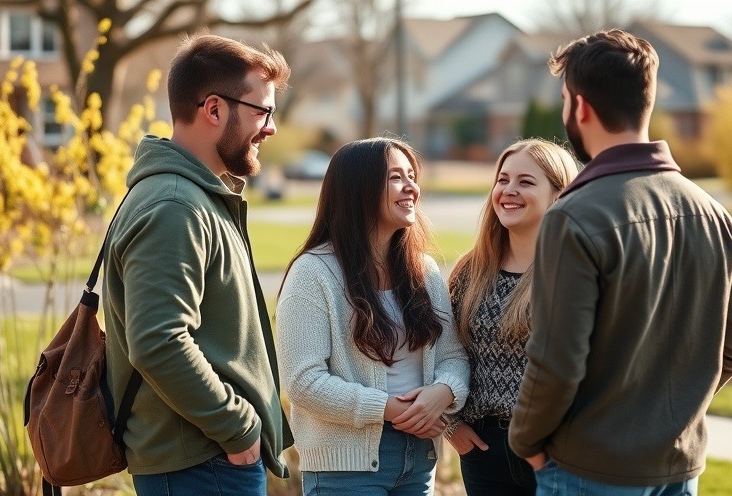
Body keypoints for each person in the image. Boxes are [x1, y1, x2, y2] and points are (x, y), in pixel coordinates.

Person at [508, 29, 732, 496]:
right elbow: (731, 349)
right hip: (680, 470)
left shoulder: (573, 217)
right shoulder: (717, 216)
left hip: (587, 472)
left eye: (563, 100)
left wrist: (525, 442)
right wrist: (668, 420)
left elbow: (557, 363)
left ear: (579, 107)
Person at [102, 35, 292, 495]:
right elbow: (158, 341)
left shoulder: (192, 198)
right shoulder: (176, 207)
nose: (270, 128)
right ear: (213, 109)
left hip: (206, 461)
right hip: (203, 463)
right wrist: (238, 428)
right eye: (261, 111)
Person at [276, 137, 470, 496]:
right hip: (346, 470)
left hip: (419, 460)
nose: (412, 186)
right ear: (359, 190)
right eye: (397, 177)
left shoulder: (424, 271)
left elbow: (453, 356)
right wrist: (391, 409)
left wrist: (442, 393)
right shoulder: (313, 273)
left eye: (413, 176)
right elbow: (303, 381)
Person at [446, 139, 578, 496]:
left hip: (558, 451)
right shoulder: (470, 272)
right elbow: (442, 352)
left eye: (525, 182)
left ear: (559, 194)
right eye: (502, 180)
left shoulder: (574, 272)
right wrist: (451, 427)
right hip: (483, 451)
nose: (509, 190)